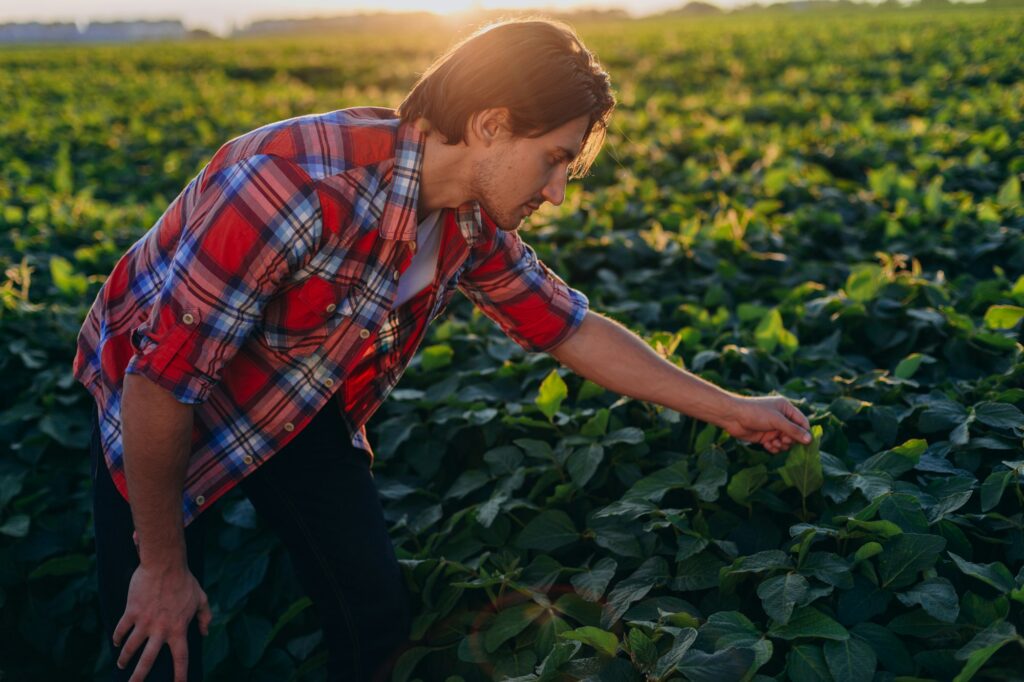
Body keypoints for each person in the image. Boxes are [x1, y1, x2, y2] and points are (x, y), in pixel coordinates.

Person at [74, 17, 812, 682]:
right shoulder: (293, 183)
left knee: (375, 618)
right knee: (157, 644)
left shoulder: (471, 221)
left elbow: (565, 325)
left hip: (297, 395)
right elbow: (164, 381)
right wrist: (162, 566)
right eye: (554, 159)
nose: (557, 193)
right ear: (491, 124)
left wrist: (731, 408)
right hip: (153, 399)